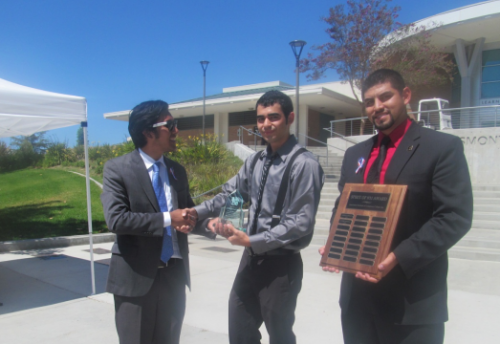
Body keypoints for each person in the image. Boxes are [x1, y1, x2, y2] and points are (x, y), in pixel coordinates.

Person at [320, 69, 473, 344]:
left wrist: (398, 257)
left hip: (412, 304)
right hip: (358, 303)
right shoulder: (355, 154)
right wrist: (335, 243)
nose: (377, 107)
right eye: (369, 101)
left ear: (405, 95)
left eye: (385, 97)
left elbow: (454, 217)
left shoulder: (441, 147)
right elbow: (342, 205)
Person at [193, 90, 325, 344]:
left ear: (290, 118)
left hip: (281, 265)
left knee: (280, 336)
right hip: (250, 261)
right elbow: (231, 196)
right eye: (261, 118)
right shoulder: (255, 161)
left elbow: (301, 222)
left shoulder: (304, 164)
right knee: (240, 332)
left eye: (273, 117)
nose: (266, 124)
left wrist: (251, 241)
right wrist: (197, 213)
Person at [101, 100, 214, 344]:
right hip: (135, 278)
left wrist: (211, 226)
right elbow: (116, 219)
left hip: (173, 275)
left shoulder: (176, 170)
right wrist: (167, 219)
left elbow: (188, 213)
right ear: (148, 131)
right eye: (170, 125)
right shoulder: (117, 169)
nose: (176, 131)